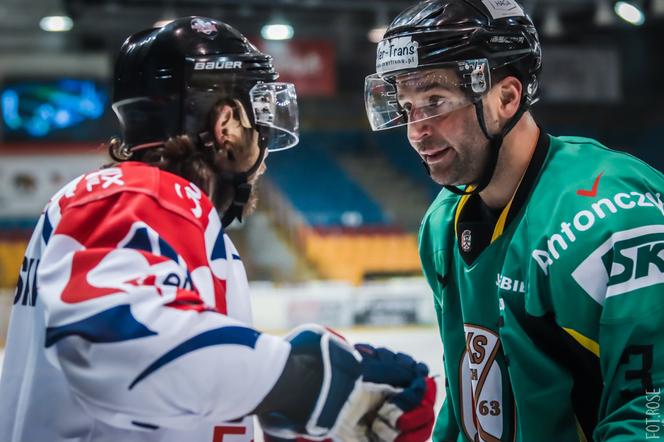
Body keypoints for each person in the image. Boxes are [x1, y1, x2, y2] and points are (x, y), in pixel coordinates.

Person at [0, 17, 437, 442]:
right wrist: (306, 383)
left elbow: (171, 400)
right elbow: (116, 344)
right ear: (226, 124)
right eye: (259, 118)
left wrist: (284, 418)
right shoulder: (141, 194)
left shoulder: (171, 214)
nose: (265, 150)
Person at [364, 0, 664, 440]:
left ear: (506, 97)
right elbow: (467, 397)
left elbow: (649, 409)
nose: (416, 132)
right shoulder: (442, 225)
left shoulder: (611, 216)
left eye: (434, 101)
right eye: (408, 108)